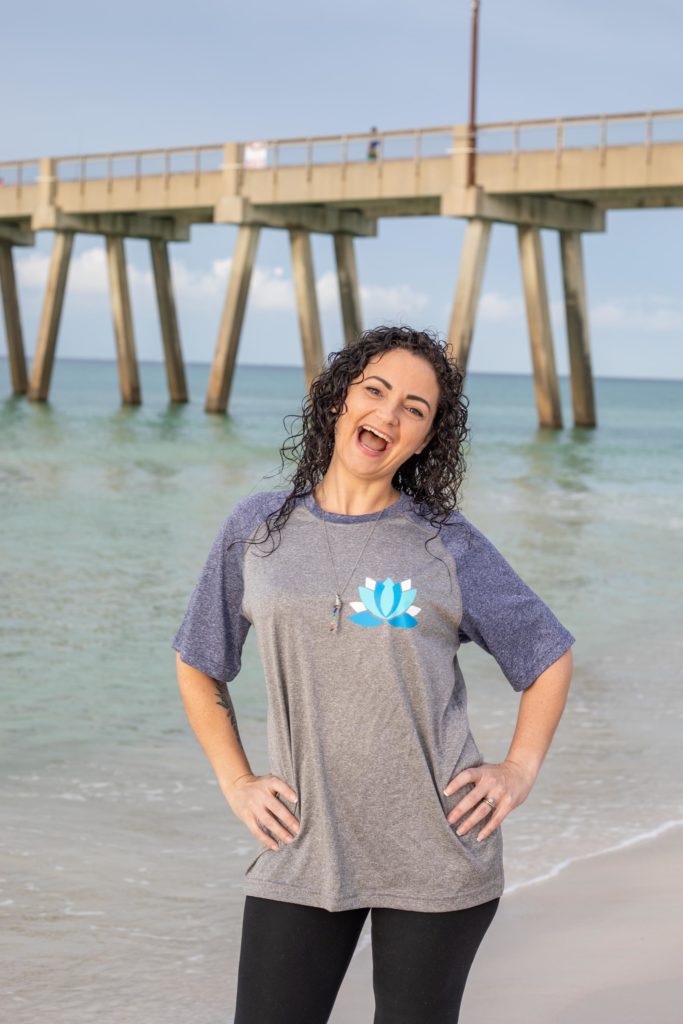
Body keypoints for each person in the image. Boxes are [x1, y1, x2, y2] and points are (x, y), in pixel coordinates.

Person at [172, 325, 575, 1023]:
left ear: (424, 440)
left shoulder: (442, 542)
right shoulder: (257, 528)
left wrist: (518, 768)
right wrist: (236, 781)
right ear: (338, 402)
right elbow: (199, 663)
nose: (388, 415)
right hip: (301, 847)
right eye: (375, 392)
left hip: (437, 852)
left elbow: (545, 654)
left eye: (413, 410)